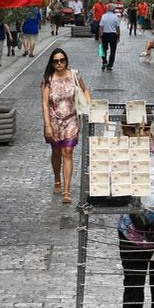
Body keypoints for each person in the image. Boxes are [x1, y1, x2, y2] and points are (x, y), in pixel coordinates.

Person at [40, 49, 90, 203]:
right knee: (56, 152)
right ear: (52, 63)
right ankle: (57, 179)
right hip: (54, 121)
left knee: (67, 152)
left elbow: (84, 90)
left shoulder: (75, 74)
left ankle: (67, 191)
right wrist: (47, 125)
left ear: (66, 60)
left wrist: (90, 106)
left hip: (71, 119)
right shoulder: (47, 79)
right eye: (56, 61)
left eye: (62, 60)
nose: (59, 63)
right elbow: (44, 103)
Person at [100, 4, 121, 70]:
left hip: (105, 34)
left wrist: (100, 37)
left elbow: (101, 27)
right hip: (113, 35)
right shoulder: (115, 17)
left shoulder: (103, 16)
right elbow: (117, 28)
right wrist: (118, 37)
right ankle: (110, 65)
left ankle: (104, 62)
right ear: (113, 10)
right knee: (113, 51)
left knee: (103, 49)